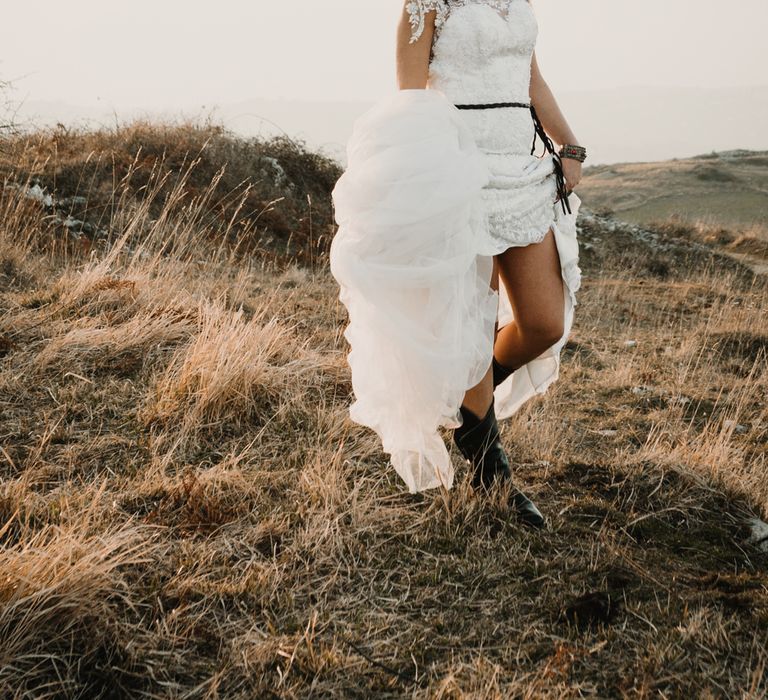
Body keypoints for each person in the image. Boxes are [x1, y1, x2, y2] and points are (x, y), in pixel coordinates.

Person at [330, 0, 586, 529]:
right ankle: (493, 471)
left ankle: (469, 406)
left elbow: (529, 74)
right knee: (474, 321)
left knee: (542, 322)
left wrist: (571, 145)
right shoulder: (426, 3)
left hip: (522, 173)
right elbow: (409, 99)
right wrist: (427, 183)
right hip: (459, 174)